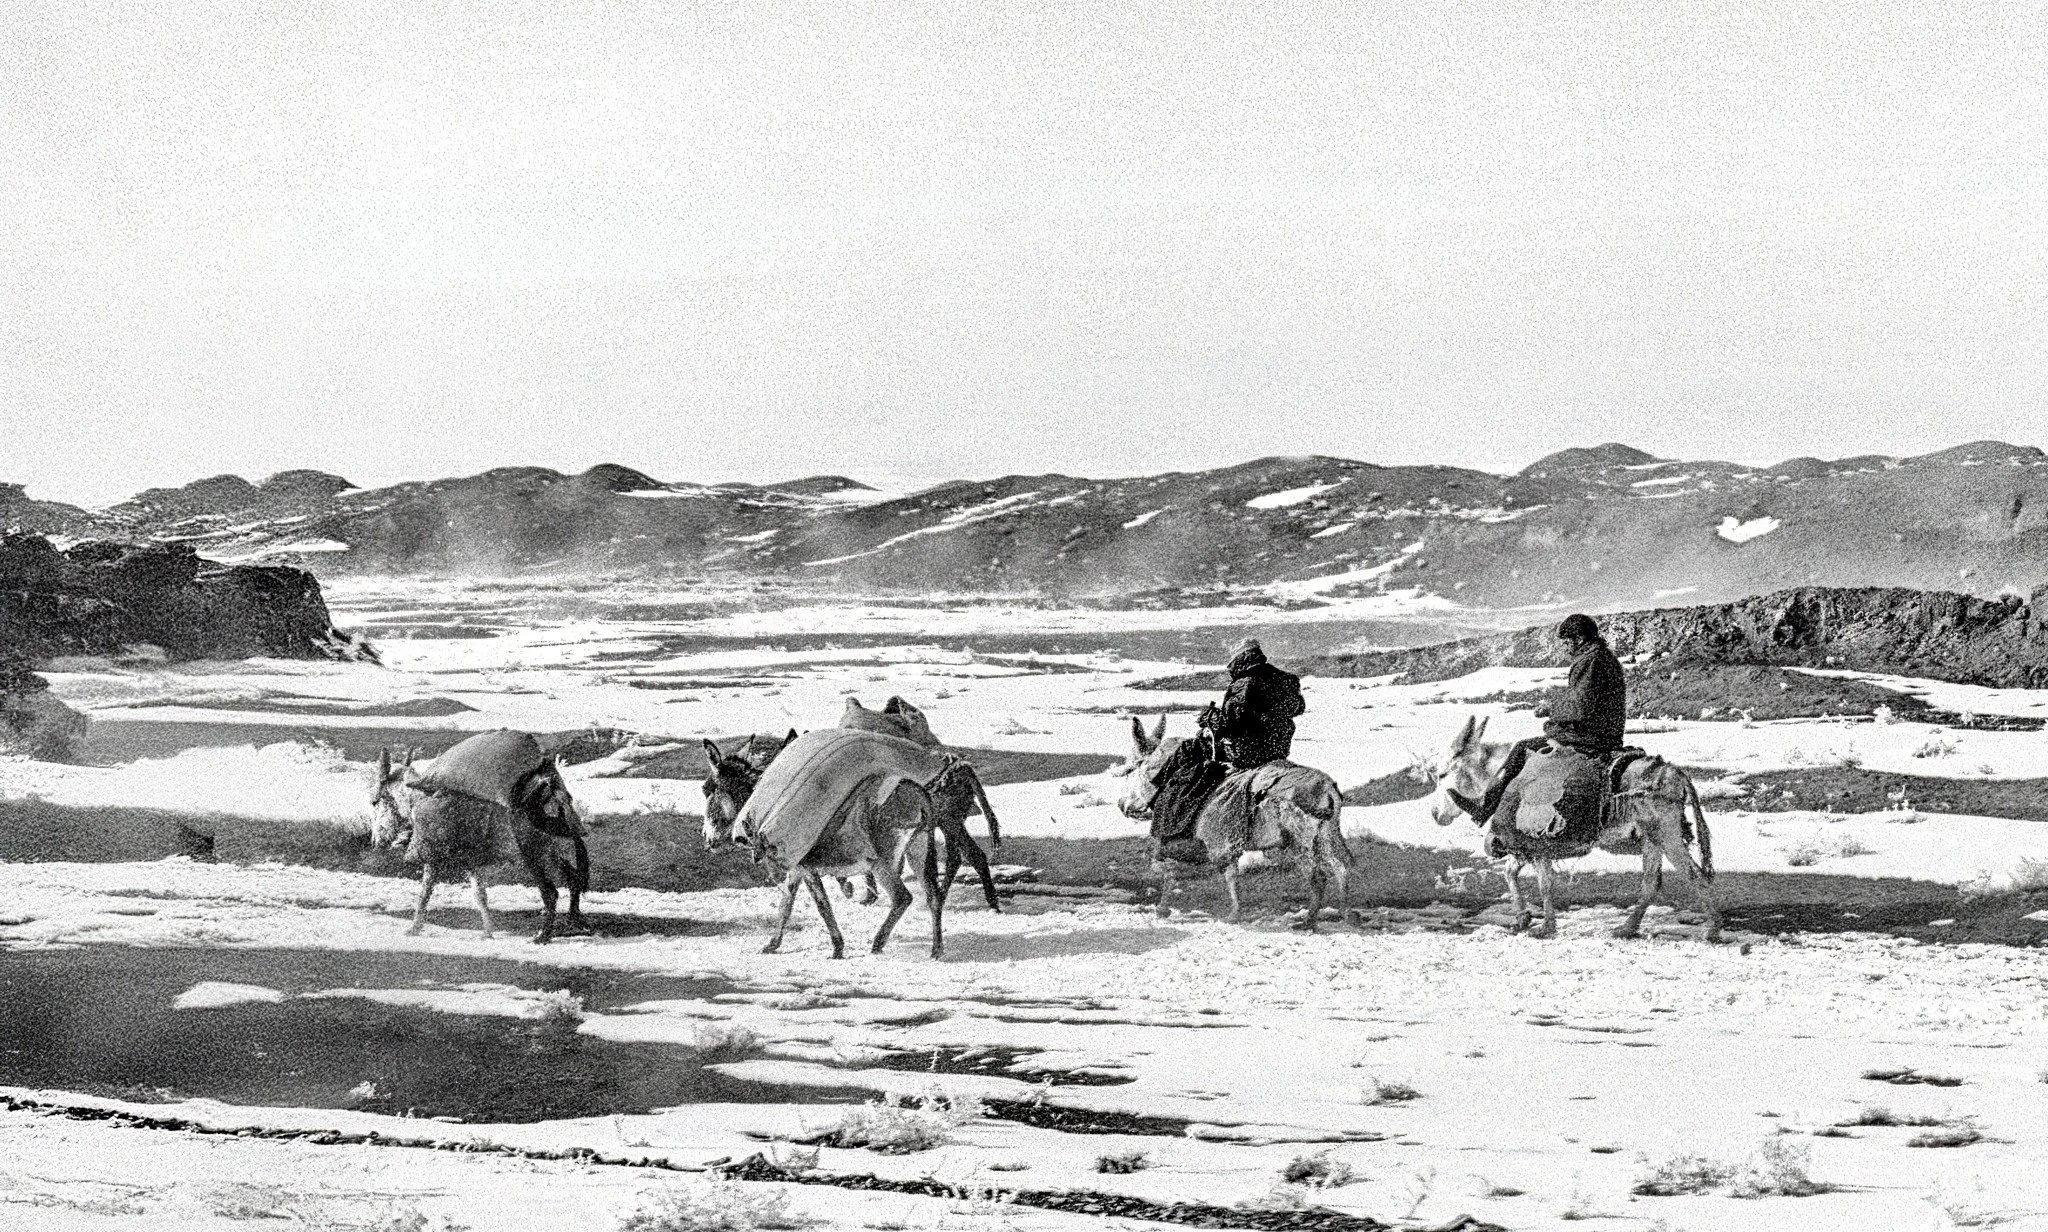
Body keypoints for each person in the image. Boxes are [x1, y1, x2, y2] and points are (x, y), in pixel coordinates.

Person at [1472, 613, 1626, 824]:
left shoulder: (1590, 661)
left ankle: (1485, 807)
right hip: (1606, 734)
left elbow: (1581, 708)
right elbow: (1587, 701)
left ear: (1579, 639)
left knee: (1521, 748)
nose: (1563, 647)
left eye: (1565, 642)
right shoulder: (1603, 657)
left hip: (1592, 738)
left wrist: (1550, 709)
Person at [1212, 638, 1306, 769]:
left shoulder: (1244, 683)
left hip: (1249, 754)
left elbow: (1234, 723)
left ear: (1241, 658)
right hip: (1280, 748)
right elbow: (1299, 707)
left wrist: (1214, 720)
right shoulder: (1285, 678)